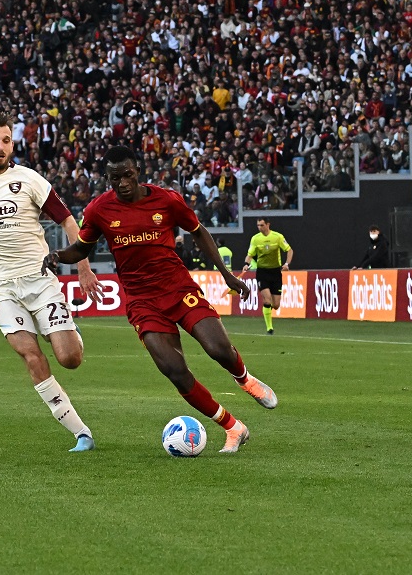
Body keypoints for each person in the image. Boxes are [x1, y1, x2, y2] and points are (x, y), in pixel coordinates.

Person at [42, 146, 277, 454]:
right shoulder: (100, 210)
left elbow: (199, 231)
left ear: (137, 171)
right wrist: (60, 255)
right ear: (107, 179)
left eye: (127, 175)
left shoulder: (166, 200)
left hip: (178, 288)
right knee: (175, 371)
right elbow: (82, 247)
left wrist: (226, 274)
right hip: (142, 301)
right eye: (115, 178)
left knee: (217, 348)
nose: (123, 183)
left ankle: (244, 379)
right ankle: (233, 428)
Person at [0, 110, 102, 453]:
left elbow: (68, 221)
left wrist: (82, 267)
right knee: (32, 356)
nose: (2, 146)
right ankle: (81, 433)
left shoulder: (31, 180)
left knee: (69, 359)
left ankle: (71, 333)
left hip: (39, 280)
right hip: (1, 288)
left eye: (6, 140)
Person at [243, 217, 293, 335]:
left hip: (276, 272)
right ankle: (269, 328)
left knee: (275, 305)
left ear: (268, 224)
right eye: (258, 226)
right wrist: (246, 264)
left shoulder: (278, 237)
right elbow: (249, 255)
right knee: (267, 299)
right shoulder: (255, 239)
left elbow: (289, 250)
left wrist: (286, 264)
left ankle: (267, 312)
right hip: (262, 272)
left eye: (261, 225)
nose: (259, 228)